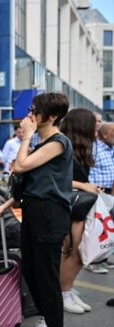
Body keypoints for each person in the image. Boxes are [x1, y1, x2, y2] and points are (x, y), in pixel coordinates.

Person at [0, 92, 72, 327]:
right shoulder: (40, 143)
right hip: (34, 211)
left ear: (53, 116)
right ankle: (48, 322)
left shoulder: (58, 142)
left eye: (36, 111)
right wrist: (5, 205)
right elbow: (30, 184)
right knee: (31, 271)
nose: (30, 115)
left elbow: (20, 166)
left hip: (50, 214)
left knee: (46, 275)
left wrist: (25, 137)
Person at [58, 108, 98, 314]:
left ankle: (68, 289)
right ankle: (64, 293)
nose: (97, 128)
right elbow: (54, 179)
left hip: (79, 208)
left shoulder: (81, 149)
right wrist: (84, 186)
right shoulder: (63, 146)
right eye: (94, 124)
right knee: (73, 253)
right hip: (69, 207)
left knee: (79, 253)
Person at [85, 122, 114, 274]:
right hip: (97, 193)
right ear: (105, 135)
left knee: (108, 228)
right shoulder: (94, 149)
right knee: (98, 228)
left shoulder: (110, 149)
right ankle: (94, 260)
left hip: (109, 193)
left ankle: (102, 258)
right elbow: (87, 170)